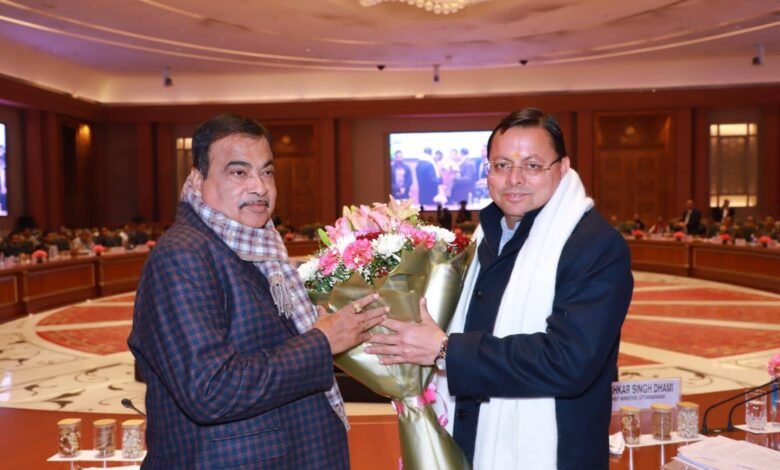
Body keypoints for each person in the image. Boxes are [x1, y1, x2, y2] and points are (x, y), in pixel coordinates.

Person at [366, 108, 633, 469]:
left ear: (563, 167)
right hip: (471, 440)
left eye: (532, 165)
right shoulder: (485, 236)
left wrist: (445, 350)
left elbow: (569, 361)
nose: (514, 179)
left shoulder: (594, 245)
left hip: (555, 455)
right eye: (502, 165)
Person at [128, 114, 387, 469]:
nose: (260, 187)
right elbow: (210, 390)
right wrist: (321, 341)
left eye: (267, 172)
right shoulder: (183, 256)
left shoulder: (259, 247)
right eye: (239, 172)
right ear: (199, 179)